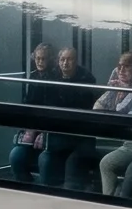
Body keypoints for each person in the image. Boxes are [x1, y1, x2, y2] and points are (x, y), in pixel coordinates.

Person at [94, 49, 132, 197]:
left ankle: (123, 200)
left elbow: (122, 109)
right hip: (128, 145)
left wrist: (121, 89)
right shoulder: (118, 87)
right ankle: (109, 199)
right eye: (119, 66)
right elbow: (97, 107)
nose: (121, 70)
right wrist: (113, 89)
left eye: (126, 66)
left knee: (131, 170)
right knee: (106, 163)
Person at [40, 44, 94, 188]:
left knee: (73, 168)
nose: (65, 63)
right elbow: (47, 107)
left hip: (80, 137)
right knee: (45, 160)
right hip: (57, 135)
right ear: (58, 61)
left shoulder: (86, 78)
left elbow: (79, 107)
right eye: (62, 59)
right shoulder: (51, 76)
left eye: (70, 59)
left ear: (76, 61)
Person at [8, 41, 56, 183]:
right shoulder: (34, 76)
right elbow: (28, 104)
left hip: (49, 131)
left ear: (50, 59)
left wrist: (42, 131)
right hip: (33, 129)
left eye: (43, 59)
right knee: (15, 156)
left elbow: (53, 108)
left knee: (44, 160)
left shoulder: (55, 78)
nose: (40, 62)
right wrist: (29, 129)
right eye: (37, 59)